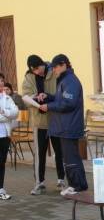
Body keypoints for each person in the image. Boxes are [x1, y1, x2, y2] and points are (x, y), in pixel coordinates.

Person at [37, 54, 88, 196]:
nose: (54, 70)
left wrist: (49, 106)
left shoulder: (70, 80)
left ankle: (78, 186)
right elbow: (61, 99)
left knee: (71, 158)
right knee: (68, 158)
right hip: (64, 126)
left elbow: (68, 103)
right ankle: (74, 185)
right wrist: (49, 96)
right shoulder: (64, 80)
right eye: (52, 68)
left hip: (69, 126)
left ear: (64, 65)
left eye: (56, 67)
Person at [22, 54, 66, 195]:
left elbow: (60, 92)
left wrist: (48, 97)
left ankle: (61, 180)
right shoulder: (29, 78)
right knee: (40, 152)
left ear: (43, 65)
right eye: (33, 70)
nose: (36, 72)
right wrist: (36, 98)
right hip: (39, 120)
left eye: (37, 68)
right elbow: (26, 97)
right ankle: (39, 183)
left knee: (59, 151)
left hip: (55, 118)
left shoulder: (53, 72)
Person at [0, 72, 19, 199]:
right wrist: (6, 117)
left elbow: (15, 112)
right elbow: (8, 116)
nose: (1, 83)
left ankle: (1, 188)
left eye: (2, 80)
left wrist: (4, 112)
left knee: (2, 163)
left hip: (4, 134)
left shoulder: (6, 97)